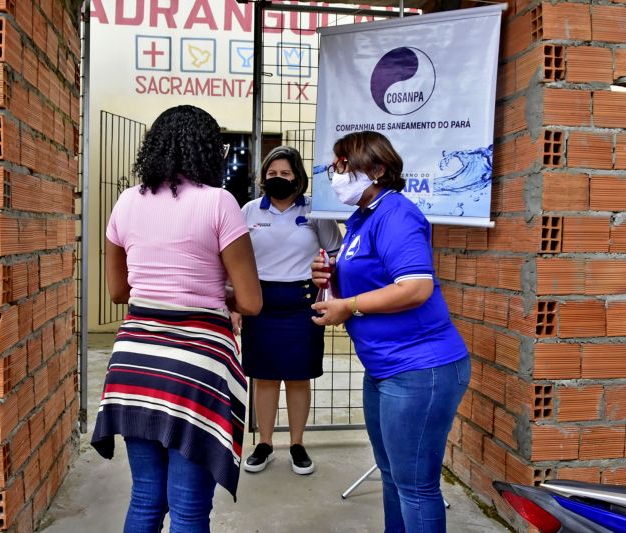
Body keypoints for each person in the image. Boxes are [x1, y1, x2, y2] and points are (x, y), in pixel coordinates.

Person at [91, 105, 262, 533]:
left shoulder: (126, 201)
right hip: (194, 368)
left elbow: (118, 292)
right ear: (207, 151)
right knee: (187, 509)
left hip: (133, 365)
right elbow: (252, 302)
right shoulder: (220, 203)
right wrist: (214, 291)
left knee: (147, 498)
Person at [311, 131, 470, 533]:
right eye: (336, 165)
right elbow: (372, 281)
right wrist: (330, 280)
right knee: (391, 474)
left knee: (416, 486)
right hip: (384, 367)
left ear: (378, 169)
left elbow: (415, 287)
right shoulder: (363, 217)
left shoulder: (396, 213)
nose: (337, 173)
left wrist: (347, 305)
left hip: (420, 367)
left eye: (345, 164)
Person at [233, 146, 342, 476]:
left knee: (298, 378)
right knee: (264, 377)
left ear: (298, 177)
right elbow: (234, 259)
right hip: (260, 303)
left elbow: (335, 252)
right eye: (271, 174)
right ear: (263, 177)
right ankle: (264, 444)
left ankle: (297, 444)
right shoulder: (249, 210)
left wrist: (324, 274)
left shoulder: (314, 211)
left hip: (302, 303)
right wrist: (235, 304)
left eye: (285, 174)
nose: (277, 179)